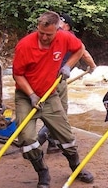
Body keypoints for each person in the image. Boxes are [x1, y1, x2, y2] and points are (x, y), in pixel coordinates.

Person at [12, 11, 94, 188]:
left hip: (50, 95)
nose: (44, 37)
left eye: (49, 34)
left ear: (57, 30)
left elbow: (80, 49)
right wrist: (32, 95)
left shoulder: (65, 38)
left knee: (66, 137)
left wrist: (67, 65)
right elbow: (17, 74)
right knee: (26, 139)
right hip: (26, 97)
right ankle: (42, 171)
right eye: (41, 32)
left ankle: (76, 168)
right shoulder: (24, 45)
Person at [38, 13, 98, 153]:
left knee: (48, 109)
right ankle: (42, 137)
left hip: (42, 78)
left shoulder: (47, 34)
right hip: (56, 80)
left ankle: (52, 143)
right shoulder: (67, 36)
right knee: (60, 112)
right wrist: (93, 67)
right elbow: (84, 52)